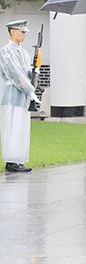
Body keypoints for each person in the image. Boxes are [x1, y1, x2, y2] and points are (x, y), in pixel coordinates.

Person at [0, 20, 41, 172]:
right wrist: (30, 90)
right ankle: (11, 161)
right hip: (12, 95)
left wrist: (35, 69)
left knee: (22, 127)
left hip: (23, 97)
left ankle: (18, 160)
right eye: (22, 31)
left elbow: (27, 73)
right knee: (13, 126)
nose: (24, 34)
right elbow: (14, 74)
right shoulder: (5, 51)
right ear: (12, 31)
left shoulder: (23, 52)